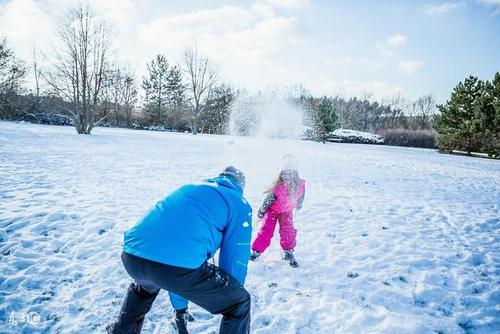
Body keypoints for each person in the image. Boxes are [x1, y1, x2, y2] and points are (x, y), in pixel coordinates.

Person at [107, 166, 253, 334]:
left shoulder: (190, 188)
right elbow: (236, 256)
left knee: (146, 286)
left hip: (132, 256)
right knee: (239, 303)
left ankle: (120, 330)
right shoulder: (238, 202)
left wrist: (180, 307)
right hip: (174, 267)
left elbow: (172, 250)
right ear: (240, 186)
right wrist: (232, 294)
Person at [250, 156, 305, 267]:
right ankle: (257, 251)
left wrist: (299, 205)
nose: (286, 176)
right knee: (266, 230)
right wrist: (261, 213)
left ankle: (288, 251)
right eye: (284, 173)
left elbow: (302, 195)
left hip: (287, 211)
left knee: (288, 231)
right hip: (272, 211)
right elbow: (267, 201)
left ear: (295, 173)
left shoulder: (300, 184)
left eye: (290, 173)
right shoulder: (277, 188)